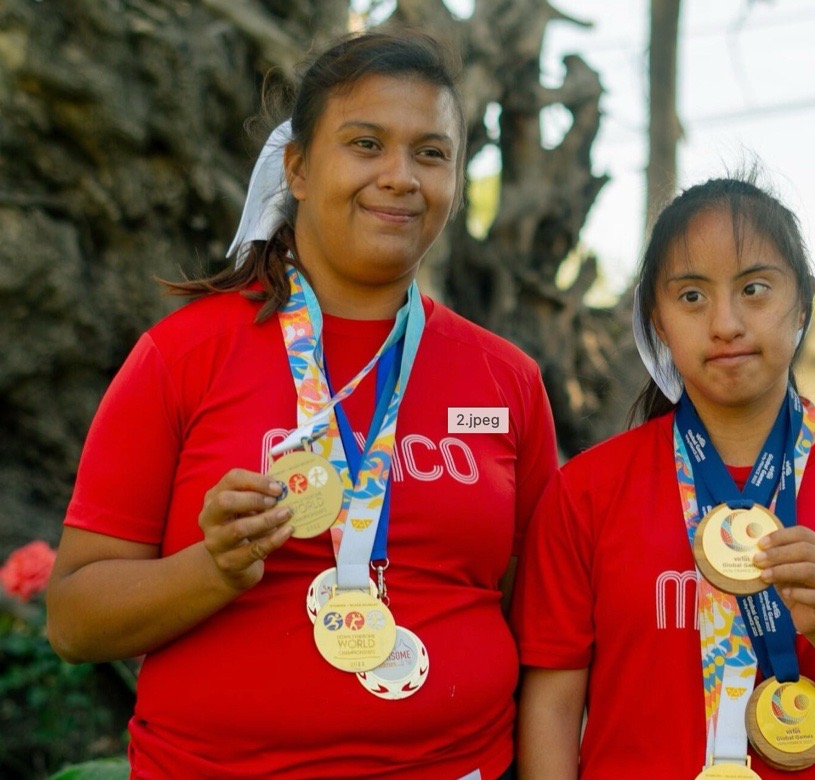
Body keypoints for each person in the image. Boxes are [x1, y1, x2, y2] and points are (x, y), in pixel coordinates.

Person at [46, 30, 558, 780]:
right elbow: (72, 619)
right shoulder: (182, 356)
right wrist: (213, 568)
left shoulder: (505, 380)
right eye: (365, 144)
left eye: (431, 153)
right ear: (298, 169)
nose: (400, 177)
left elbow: (543, 627)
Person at [511, 174, 815, 779]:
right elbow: (552, 710)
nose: (725, 323)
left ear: (802, 301)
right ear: (657, 320)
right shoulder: (586, 493)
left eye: (754, 289)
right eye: (692, 296)